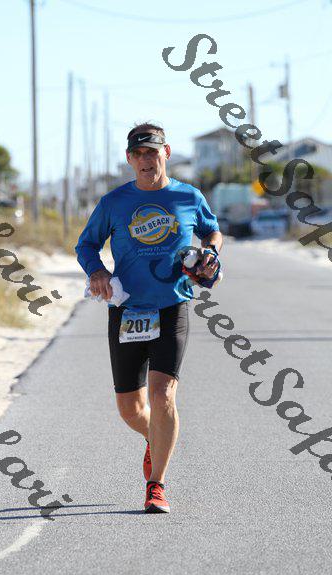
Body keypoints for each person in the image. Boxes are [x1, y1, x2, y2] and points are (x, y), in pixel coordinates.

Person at [75, 122, 223, 513]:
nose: (146, 160)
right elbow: (86, 244)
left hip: (172, 306)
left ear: (166, 153)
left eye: (152, 152)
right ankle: (154, 437)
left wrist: (210, 254)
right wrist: (97, 271)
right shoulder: (114, 202)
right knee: (131, 409)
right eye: (138, 154)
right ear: (129, 159)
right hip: (127, 311)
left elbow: (212, 232)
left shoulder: (188, 196)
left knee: (162, 395)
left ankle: (156, 484)